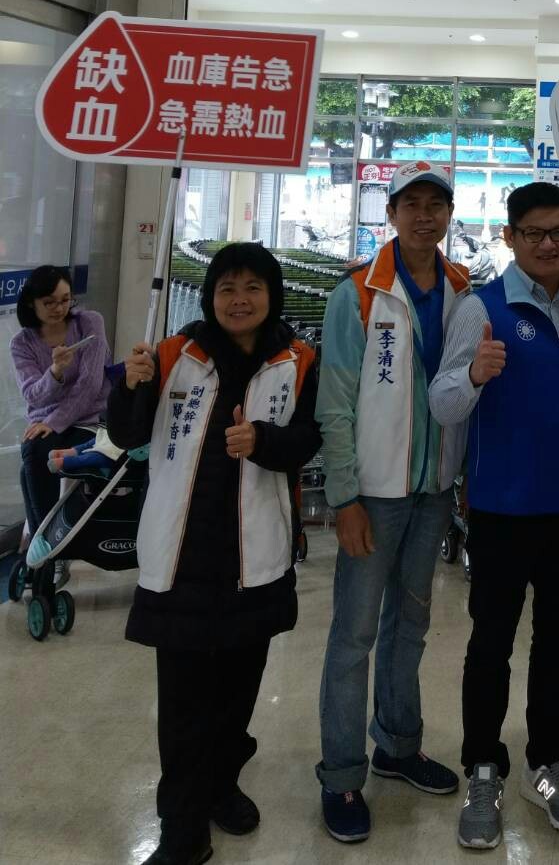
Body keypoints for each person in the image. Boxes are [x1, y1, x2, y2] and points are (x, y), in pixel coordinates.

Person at [107, 243, 320, 865]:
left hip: (255, 560)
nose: (239, 300)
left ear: (272, 296)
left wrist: (264, 441)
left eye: (253, 287)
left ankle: (223, 782)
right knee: (181, 706)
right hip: (182, 559)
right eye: (227, 287)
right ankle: (182, 827)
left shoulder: (298, 360)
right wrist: (129, 386)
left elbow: (309, 439)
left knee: (236, 693)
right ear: (209, 297)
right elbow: (127, 434)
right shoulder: (173, 354)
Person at [429, 181, 559, 850]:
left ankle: (548, 761)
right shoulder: (480, 308)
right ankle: (483, 768)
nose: (547, 244)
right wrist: (474, 375)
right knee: (491, 644)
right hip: (502, 508)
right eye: (533, 233)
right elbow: (442, 403)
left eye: (558, 232)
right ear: (509, 237)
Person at [316, 161, 470, 844]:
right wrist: (344, 494)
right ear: (392, 212)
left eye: (437, 204)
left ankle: (398, 746)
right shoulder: (357, 292)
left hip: (433, 490)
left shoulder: (463, 289)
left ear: (449, 215)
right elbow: (335, 403)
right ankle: (341, 772)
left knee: (411, 625)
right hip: (373, 496)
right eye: (413, 203)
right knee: (354, 635)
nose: (425, 215)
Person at [11, 265, 110, 540]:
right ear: (31, 303)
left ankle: (45, 543)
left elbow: (90, 386)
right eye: (49, 302)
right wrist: (55, 372)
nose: (59, 308)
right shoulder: (22, 343)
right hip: (45, 421)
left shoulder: (89, 323)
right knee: (33, 454)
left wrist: (54, 422)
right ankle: (47, 543)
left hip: (89, 419)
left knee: (36, 457)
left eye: (65, 300)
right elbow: (32, 395)